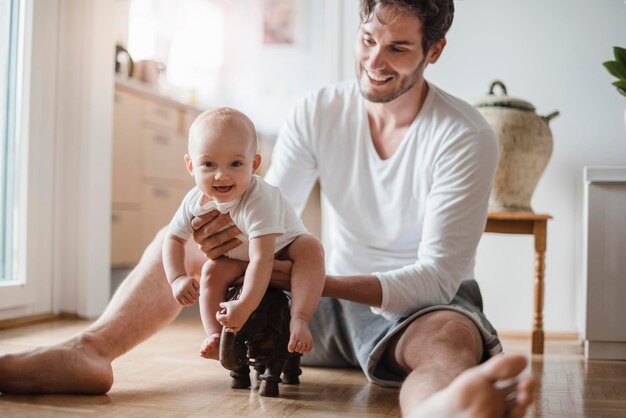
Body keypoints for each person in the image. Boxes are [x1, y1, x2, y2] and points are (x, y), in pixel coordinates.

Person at [0, 0, 536, 417]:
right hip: (313, 308)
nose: (374, 61)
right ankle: (91, 350)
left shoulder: (465, 135)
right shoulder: (318, 110)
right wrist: (222, 241)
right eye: (368, 39)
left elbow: (438, 278)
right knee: (187, 233)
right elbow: (266, 216)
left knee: (450, 336)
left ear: (433, 51)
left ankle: (442, 406)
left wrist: (309, 278)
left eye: (398, 48)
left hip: (412, 309)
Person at [162, 107, 324, 358]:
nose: (221, 174)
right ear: (191, 166)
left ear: (255, 164)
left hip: (282, 247)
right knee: (212, 270)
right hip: (242, 257)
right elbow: (173, 238)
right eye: (208, 164)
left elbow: (263, 258)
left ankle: (300, 320)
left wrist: (245, 306)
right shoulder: (194, 200)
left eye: (236, 163)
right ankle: (216, 337)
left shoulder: (259, 200)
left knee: (311, 248)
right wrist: (177, 278)